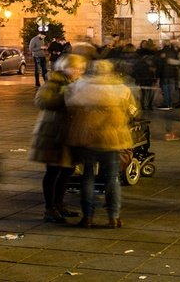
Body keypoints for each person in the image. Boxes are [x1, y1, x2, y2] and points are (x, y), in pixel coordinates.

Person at [66, 57, 140, 228]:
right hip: (113, 139)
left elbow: (69, 105)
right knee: (112, 178)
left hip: (88, 138)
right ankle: (113, 217)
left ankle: (88, 217)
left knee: (88, 177)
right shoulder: (121, 89)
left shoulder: (80, 87)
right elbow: (133, 111)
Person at [30, 52, 85, 223]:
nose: (80, 71)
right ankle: (50, 208)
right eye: (76, 68)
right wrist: (66, 97)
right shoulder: (53, 82)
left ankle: (59, 204)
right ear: (66, 68)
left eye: (81, 68)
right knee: (53, 171)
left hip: (67, 132)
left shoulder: (75, 83)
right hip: (53, 133)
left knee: (67, 169)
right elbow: (41, 101)